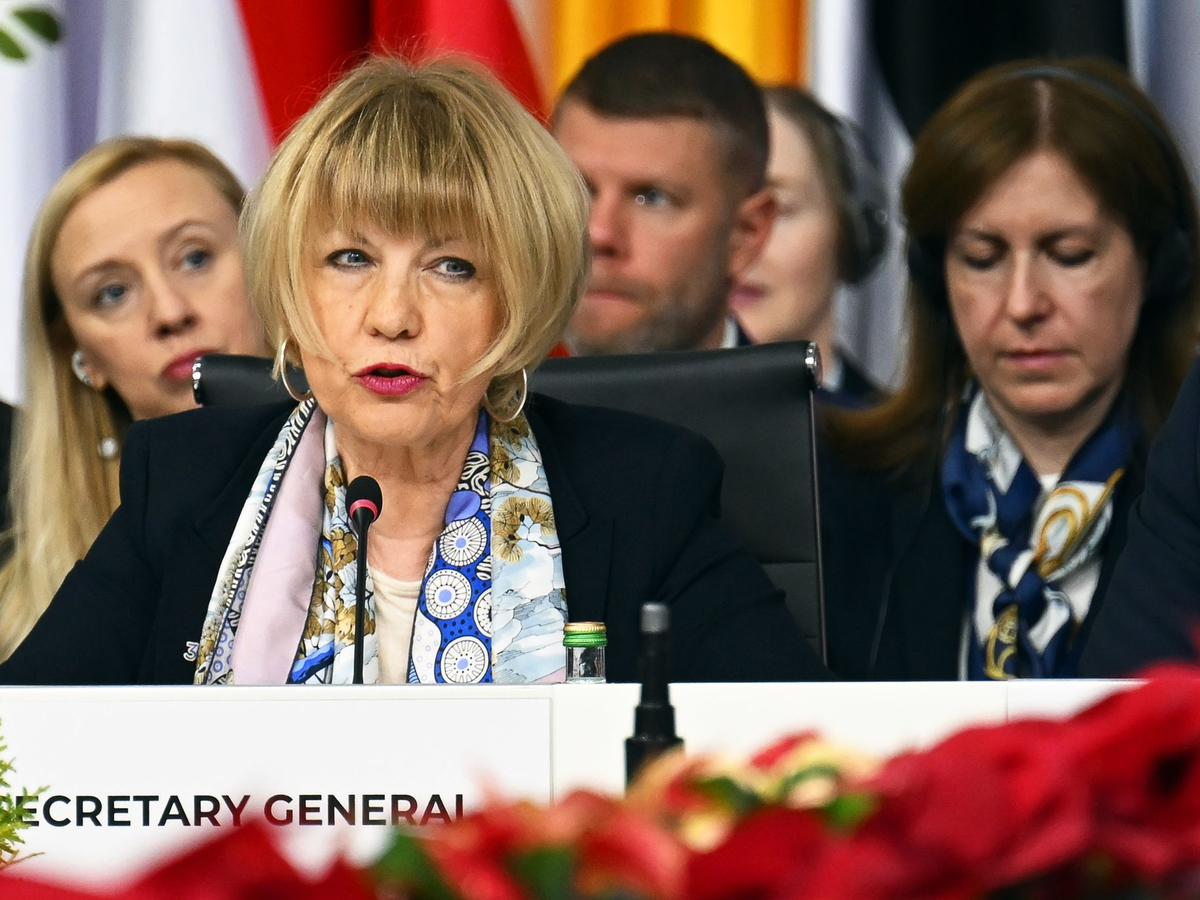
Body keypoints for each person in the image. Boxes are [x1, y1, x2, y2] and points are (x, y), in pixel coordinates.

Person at [0, 57, 828, 686]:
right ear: (290, 285)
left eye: (451, 266)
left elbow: (793, 769)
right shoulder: (183, 483)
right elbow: (22, 755)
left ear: (519, 299)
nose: (391, 315)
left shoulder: (645, 490)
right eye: (350, 258)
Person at [818, 58, 1200, 681]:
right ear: (935, 276)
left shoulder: (1189, 497)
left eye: (1069, 255)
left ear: (1159, 266)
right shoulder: (832, 496)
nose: (1023, 304)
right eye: (982, 258)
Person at [0, 137, 266, 663]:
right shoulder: (15, 622)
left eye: (195, 258)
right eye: (113, 293)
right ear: (79, 354)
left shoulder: (389, 509)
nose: (169, 312)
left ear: (267, 262)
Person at [553, 32, 775, 356]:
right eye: (577, 190)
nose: (597, 234)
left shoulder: (801, 396)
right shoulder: (483, 388)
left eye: (652, 198)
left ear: (745, 234)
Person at [732, 86, 888, 406]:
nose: (735, 244)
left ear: (850, 231)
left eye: (773, 209)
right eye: (717, 210)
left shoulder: (919, 438)